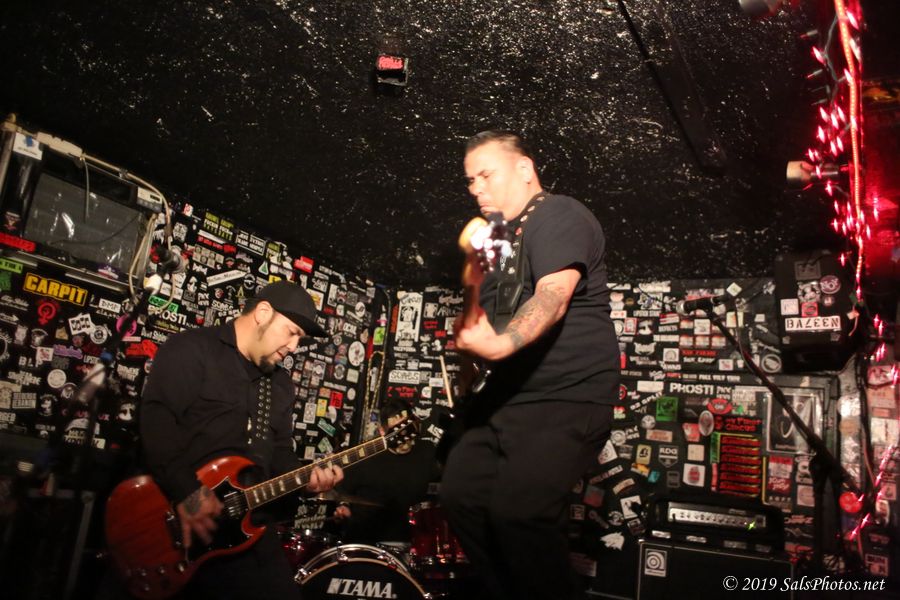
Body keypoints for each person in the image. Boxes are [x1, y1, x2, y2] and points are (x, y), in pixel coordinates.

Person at [440, 130, 620, 600]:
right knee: (459, 495)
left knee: (518, 514)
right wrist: (470, 361)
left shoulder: (558, 213)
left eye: (485, 175)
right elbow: (486, 316)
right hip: (507, 398)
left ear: (524, 169)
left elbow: (552, 295)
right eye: (470, 180)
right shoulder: (496, 239)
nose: (475, 188)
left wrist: (503, 344)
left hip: (567, 394)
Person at [139, 280, 344, 599]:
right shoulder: (193, 348)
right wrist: (188, 493)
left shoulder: (280, 386)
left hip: (248, 528)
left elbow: (280, 451)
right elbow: (157, 422)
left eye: (299, 339)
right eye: (292, 332)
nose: (294, 347)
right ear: (262, 313)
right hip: (177, 524)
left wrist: (307, 480)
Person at [333, 399, 441, 544]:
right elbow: (341, 491)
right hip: (368, 543)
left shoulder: (427, 451)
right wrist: (343, 506)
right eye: (396, 431)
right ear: (382, 431)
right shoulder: (366, 454)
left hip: (412, 543)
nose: (404, 435)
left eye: (408, 428)